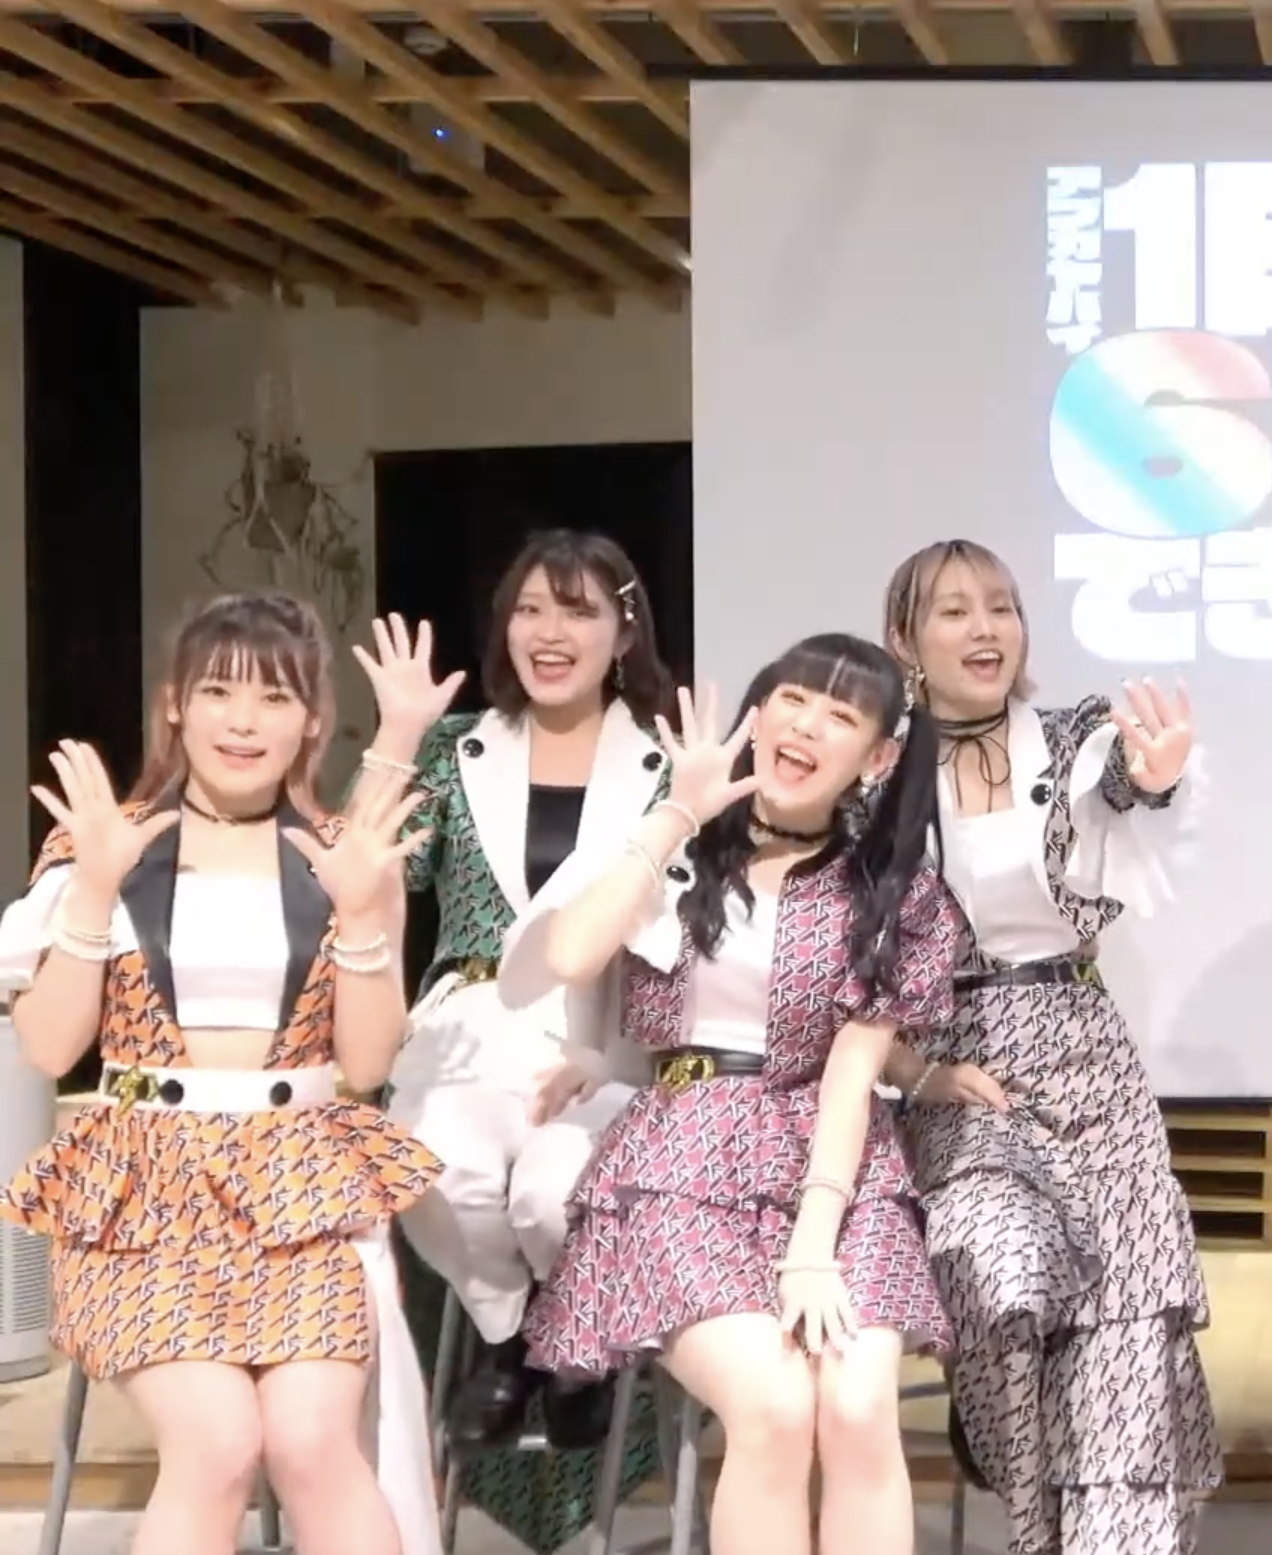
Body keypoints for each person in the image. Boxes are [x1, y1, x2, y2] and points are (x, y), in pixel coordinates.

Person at [0, 591, 445, 1555]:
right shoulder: (105, 841)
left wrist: (363, 914)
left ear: (312, 720)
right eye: (218, 692)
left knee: (313, 1442)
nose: (243, 721)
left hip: (298, 1186)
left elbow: (368, 1062)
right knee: (218, 1443)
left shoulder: (342, 854)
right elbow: (48, 1046)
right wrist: (94, 889)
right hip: (139, 1191)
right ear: (175, 704)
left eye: (274, 698)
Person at [502, 640, 958, 1555]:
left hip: (837, 1165)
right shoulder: (678, 848)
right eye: (792, 699)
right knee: (776, 1406)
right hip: (679, 1160)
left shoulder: (893, 891)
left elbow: (850, 1075)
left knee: (858, 1404)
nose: (806, 725)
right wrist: (677, 812)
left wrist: (813, 1246)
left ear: (875, 757)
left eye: (839, 716)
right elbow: (571, 954)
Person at [876, 538, 1221, 1555]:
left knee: (1125, 1323)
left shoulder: (1074, 739)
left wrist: (1156, 779)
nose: (985, 628)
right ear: (904, 640)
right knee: (995, 1267)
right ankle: (1000, 1429)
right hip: (957, 1074)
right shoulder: (876, 772)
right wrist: (917, 1072)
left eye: (1002, 606)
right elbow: (831, 963)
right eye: (953, 610)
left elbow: (1128, 787)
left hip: (1084, 1059)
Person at [342, 534, 675, 1547]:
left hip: (602, 1025)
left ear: (624, 630)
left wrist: (621, 1054)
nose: (549, 631)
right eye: (530, 608)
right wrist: (397, 733)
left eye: (577, 609)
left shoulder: (667, 761)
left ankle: (572, 1345)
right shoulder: (455, 747)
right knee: (433, 1168)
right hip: (467, 1020)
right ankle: (510, 1331)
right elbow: (360, 865)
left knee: (553, 1192)